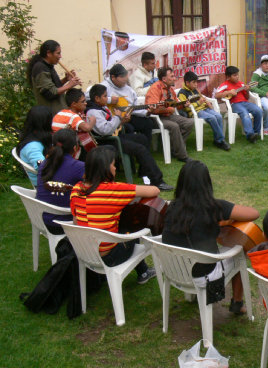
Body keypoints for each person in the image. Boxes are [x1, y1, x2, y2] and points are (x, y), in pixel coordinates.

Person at [162, 160, 260, 314]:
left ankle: (193, 296)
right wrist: (227, 219)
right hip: (203, 276)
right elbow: (254, 213)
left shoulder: (171, 207)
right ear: (207, 183)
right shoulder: (213, 208)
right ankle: (237, 303)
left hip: (175, 271)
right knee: (240, 251)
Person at [70, 146, 157, 284]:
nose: (115, 168)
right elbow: (154, 191)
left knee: (120, 221)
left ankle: (144, 271)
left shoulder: (76, 189)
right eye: (113, 165)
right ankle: (144, 271)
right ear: (104, 168)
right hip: (110, 256)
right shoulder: (114, 190)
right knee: (131, 226)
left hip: (84, 251)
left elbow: (75, 220)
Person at [86, 84, 173, 191]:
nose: (107, 98)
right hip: (108, 141)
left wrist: (122, 120)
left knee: (142, 139)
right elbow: (105, 130)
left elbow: (111, 124)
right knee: (139, 149)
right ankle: (158, 181)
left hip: (115, 136)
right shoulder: (93, 112)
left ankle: (144, 171)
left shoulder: (102, 107)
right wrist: (118, 117)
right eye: (105, 96)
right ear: (97, 98)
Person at [36, 129, 84, 235]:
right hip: (66, 223)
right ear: (75, 148)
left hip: (44, 219)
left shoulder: (44, 164)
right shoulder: (79, 167)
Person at [98, 64, 157, 147]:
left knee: (148, 123)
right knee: (128, 128)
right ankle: (129, 152)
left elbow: (134, 107)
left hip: (127, 115)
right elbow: (89, 96)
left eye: (126, 76)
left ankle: (145, 150)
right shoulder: (103, 86)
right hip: (110, 118)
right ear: (113, 77)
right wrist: (109, 99)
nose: (125, 79)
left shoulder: (129, 90)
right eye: (122, 77)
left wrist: (147, 112)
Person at [146, 67, 196, 160]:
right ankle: (182, 156)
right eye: (172, 76)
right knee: (174, 126)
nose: (174, 78)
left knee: (189, 122)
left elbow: (176, 104)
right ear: (164, 79)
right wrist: (169, 109)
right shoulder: (155, 88)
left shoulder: (170, 89)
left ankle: (174, 148)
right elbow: (153, 109)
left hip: (168, 116)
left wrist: (184, 105)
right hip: (156, 118)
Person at [177, 71, 229, 150]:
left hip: (205, 109)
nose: (196, 84)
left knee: (218, 116)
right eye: (194, 82)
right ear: (187, 83)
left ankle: (218, 140)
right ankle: (220, 140)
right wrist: (198, 103)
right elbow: (186, 108)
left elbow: (202, 98)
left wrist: (207, 102)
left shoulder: (195, 90)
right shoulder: (182, 93)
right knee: (212, 118)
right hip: (196, 112)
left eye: (196, 82)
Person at [27, 40, 81, 114]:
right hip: (51, 115)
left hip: (58, 113)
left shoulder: (48, 66)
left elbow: (54, 86)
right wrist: (69, 85)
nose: (60, 56)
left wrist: (66, 79)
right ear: (49, 53)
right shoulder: (40, 68)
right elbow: (50, 92)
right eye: (58, 53)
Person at [214, 66, 263, 144]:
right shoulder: (225, 85)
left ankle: (256, 133)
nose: (237, 77)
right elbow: (216, 95)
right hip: (234, 104)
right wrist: (228, 92)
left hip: (245, 103)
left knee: (258, 110)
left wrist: (247, 91)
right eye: (234, 75)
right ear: (228, 77)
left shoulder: (241, 84)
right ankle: (250, 135)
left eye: (237, 74)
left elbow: (247, 97)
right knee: (245, 114)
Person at [52, 88, 97, 159]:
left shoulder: (61, 113)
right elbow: (87, 128)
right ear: (74, 104)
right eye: (83, 101)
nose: (86, 103)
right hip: (68, 152)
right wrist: (92, 121)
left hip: (57, 149)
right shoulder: (73, 116)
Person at [16, 106, 53, 186]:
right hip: (46, 186)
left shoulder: (35, 136)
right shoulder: (33, 146)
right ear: (46, 122)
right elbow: (41, 165)